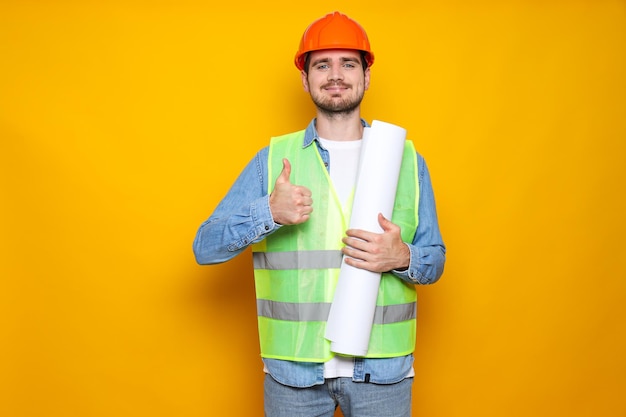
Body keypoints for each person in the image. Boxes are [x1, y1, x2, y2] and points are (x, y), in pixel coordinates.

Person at [193, 11, 445, 417]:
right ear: (305, 78)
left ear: (366, 75)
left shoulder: (405, 161)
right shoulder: (273, 160)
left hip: (382, 374)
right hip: (293, 375)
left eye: (348, 63)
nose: (335, 75)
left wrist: (403, 257)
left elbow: (435, 261)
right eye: (322, 64)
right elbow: (205, 247)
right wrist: (268, 212)